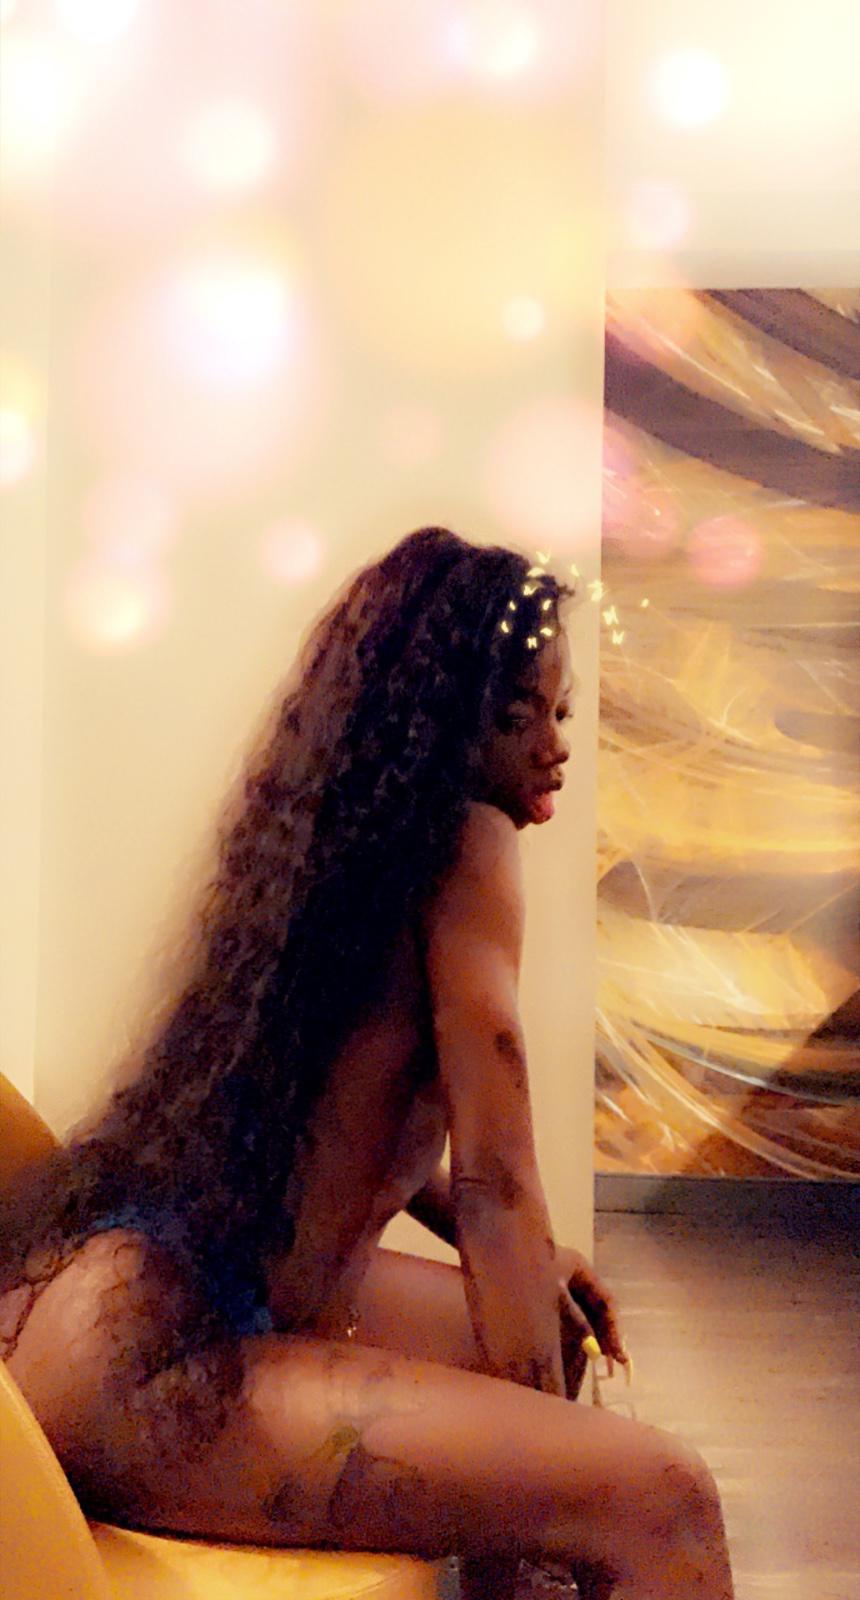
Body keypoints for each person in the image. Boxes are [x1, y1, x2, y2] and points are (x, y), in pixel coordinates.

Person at [0, 528, 734, 1600]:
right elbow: (494, 1179)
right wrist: (538, 1461)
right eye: (515, 715)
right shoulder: (470, 843)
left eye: (560, 713)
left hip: (109, 1316)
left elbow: (367, 1120)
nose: (553, 746)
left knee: (553, 1349)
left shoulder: (355, 847)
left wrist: (533, 1275)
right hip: (155, 1368)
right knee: (663, 1500)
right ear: (440, 720)